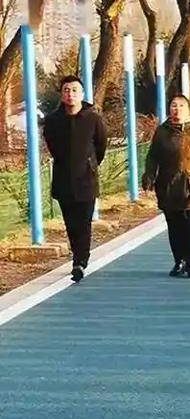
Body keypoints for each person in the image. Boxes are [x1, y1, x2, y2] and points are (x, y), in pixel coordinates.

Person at [142, 95, 190, 277]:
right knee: (174, 225)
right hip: (168, 185)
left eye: (181, 106)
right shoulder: (162, 131)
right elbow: (153, 156)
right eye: (173, 106)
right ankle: (178, 261)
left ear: (187, 109)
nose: (176, 109)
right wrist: (149, 177)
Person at [43, 75, 107, 283]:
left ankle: (80, 261)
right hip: (63, 179)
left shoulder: (93, 118)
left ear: (82, 94)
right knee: (71, 223)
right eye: (66, 90)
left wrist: (90, 163)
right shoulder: (53, 121)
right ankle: (77, 256)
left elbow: (101, 146)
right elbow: (52, 146)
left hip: (86, 179)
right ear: (61, 95)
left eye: (74, 90)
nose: (70, 94)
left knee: (84, 222)